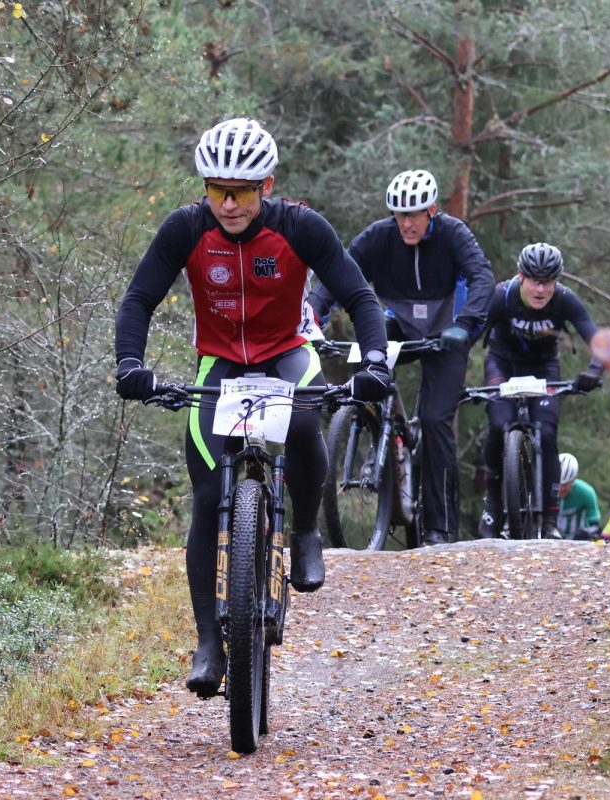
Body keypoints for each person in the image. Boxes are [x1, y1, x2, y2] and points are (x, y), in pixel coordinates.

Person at [114, 118, 391, 696]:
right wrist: (130, 365)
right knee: (207, 495)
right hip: (219, 365)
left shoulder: (300, 227)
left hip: (287, 353)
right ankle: (208, 643)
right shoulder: (186, 228)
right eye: (218, 190)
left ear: (267, 185)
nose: (229, 204)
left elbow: (360, 296)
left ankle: (307, 530)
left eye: (241, 192)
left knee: (305, 421)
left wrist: (374, 365)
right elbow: (139, 298)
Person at [308, 169, 494, 545]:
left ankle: (440, 527)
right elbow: (337, 273)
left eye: (414, 215)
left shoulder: (453, 234)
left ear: (432, 211)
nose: (407, 224)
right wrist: (312, 314)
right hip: (400, 326)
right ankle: (380, 426)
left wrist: (466, 323)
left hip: (448, 333)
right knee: (367, 368)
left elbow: (482, 277)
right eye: (400, 215)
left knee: (435, 420)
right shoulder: (378, 237)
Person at [477, 243, 604, 540]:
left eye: (548, 282)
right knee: (498, 425)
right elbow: (469, 334)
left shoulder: (564, 299)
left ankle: (549, 520)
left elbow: (597, 338)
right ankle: (493, 504)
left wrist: (594, 371)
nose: (541, 289)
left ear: (556, 281)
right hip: (502, 364)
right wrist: (452, 374)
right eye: (535, 281)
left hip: (544, 368)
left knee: (546, 433)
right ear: (521, 276)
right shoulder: (501, 296)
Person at [555, 453, 601, 540]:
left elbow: (596, 526)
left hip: (578, 540)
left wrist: (586, 532)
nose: (560, 489)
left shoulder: (586, 492)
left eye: (565, 484)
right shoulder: (545, 491)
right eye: (557, 484)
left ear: (573, 479)